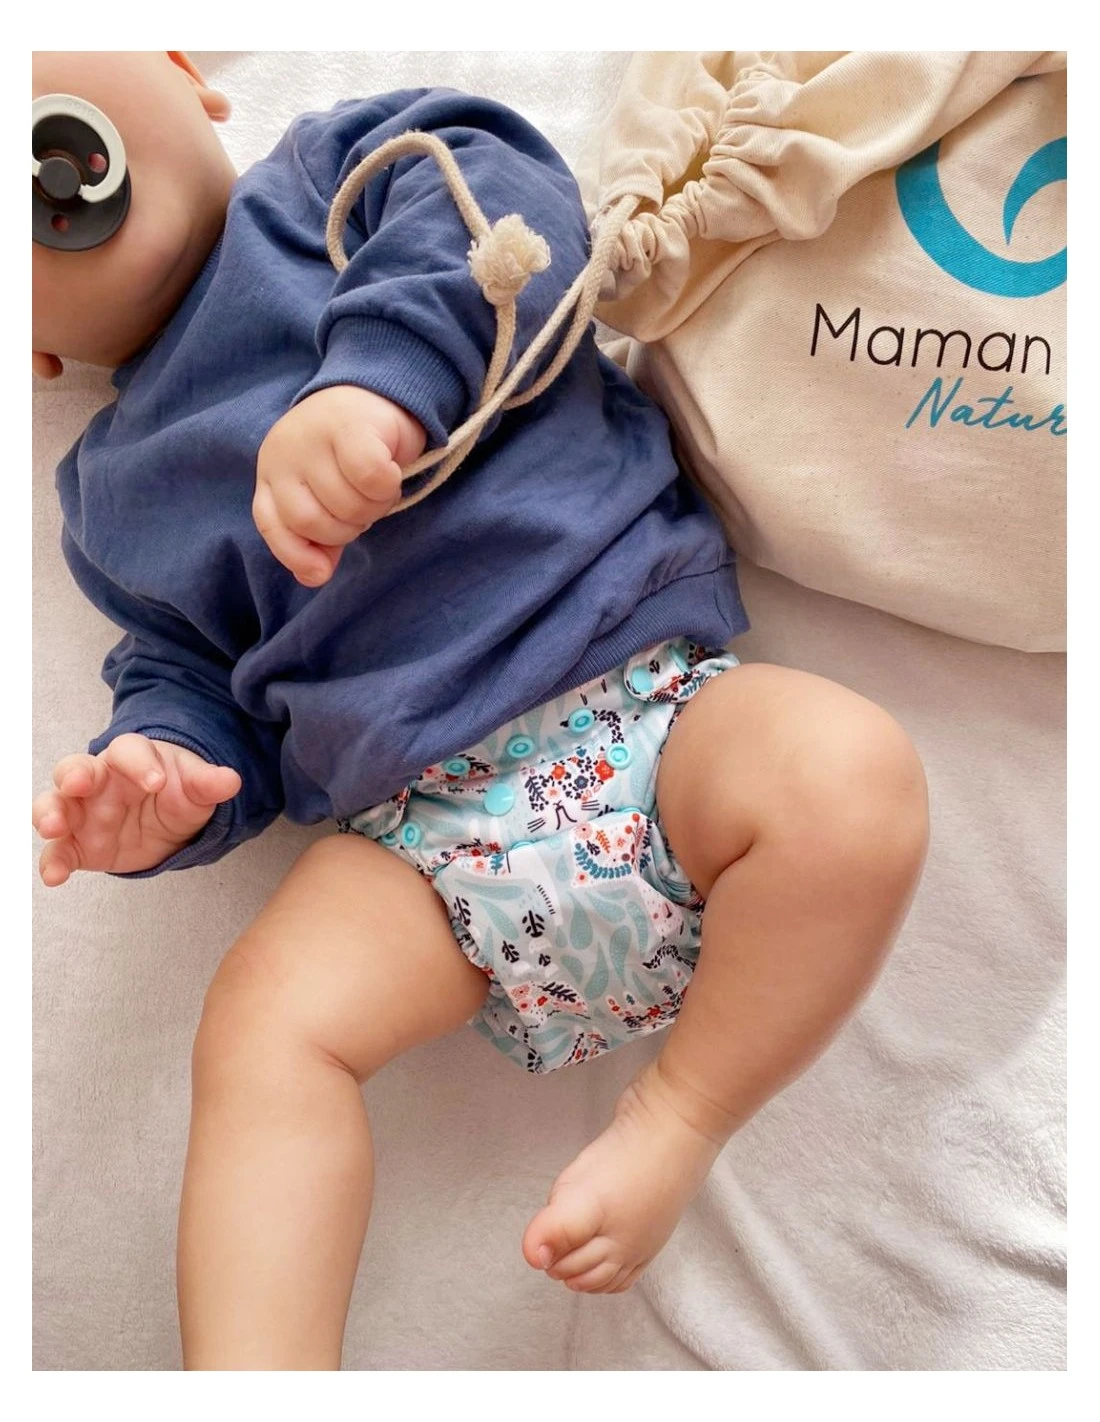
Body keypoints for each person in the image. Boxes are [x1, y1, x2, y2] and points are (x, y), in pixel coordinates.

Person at [31, 50, 929, 1370]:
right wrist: (162, 775)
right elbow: (186, 671)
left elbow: (513, 206)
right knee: (266, 1023)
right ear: (31, 349)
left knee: (852, 775)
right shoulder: (108, 496)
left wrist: (376, 379)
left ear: (185, 74)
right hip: (416, 840)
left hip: (650, 712)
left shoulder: (341, 174)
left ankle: (678, 1116)